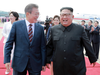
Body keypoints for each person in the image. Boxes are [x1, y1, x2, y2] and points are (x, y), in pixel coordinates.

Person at [46, 7, 97, 75]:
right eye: (62, 15)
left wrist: (92, 58)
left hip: (76, 67)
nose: (64, 17)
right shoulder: (54, 29)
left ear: (72, 16)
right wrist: (46, 60)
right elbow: (49, 46)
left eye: (67, 15)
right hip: (59, 67)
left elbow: (87, 44)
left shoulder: (80, 29)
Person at [4, 3, 46, 75]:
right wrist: (7, 60)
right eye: (36, 14)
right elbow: (9, 43)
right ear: (28, 14)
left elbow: (43, 47)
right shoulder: (16, 25)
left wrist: (43, 63)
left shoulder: (40, 28)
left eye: (38, 14)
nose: (37, 16)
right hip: (19, 62)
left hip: (35, 63)